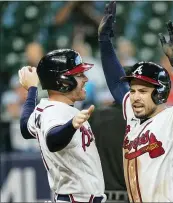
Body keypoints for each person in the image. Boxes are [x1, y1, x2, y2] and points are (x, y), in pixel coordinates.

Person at [98, 1, 173, 202]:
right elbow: (117, 84)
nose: (135, 96)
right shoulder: (134, 115)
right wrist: (104, 40)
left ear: (159, 94)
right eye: (133, 90)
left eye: (142, 90)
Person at [19, 49, 106, 203]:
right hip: (78, 199)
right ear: (64, 82)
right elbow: (53, 141)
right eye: (79, 75)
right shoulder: (56, 112)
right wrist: (71, 126)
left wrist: (32, 89)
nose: (85, 79)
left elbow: (25, 127)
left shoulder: (46, 108)